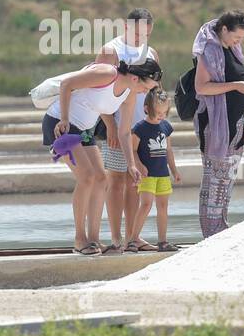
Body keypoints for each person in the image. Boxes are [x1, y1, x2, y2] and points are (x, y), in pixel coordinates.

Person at [41, 58, 162, 255]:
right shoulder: (108, 74)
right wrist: (63, 118)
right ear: (135, 78)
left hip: (83, 128)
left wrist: (131, 164)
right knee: (87, 177)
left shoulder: (128, 94)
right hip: (60, 123)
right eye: (147, 87)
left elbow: (123, 132)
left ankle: (94, 240)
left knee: (101, 178)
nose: (145, 93)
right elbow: (67, 84)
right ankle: (80, 240)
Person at [96, 8, 159, 254]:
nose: (141, 38)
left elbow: (155, 89)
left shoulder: (151, 52)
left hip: (142, 126)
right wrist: (110, 124)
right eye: (137, 33)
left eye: (147, 34)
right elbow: (98, 90)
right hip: (117, 123)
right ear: (125, 27)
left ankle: (134, 236)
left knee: (137, 182)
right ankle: (115, 237)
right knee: (116, 180)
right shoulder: (110, 51)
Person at [192, 10, 244, 237]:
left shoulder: (232, 49)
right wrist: (236, 86)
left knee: (227, 179)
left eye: (242, 38)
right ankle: (210, 230)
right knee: (214, 179)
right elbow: (202, 87)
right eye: (236, 36)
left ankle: (221, 225)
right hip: (215, 123)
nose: (239, 41)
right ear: (224, 30)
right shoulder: (210, 49)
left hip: (234, 122)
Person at [127, 88, 181, 253]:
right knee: (146, 204)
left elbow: (169, 151)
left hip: (163, 174)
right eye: (158, 112)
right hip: (147, 175)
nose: (161, 115)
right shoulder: (140, 128)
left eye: (164, 112)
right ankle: (133, 239)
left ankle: (162, 241)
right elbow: (133, 150)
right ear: (146, 108)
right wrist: (138, 165)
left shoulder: (166, 127)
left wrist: (174, 170)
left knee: (163, 207)